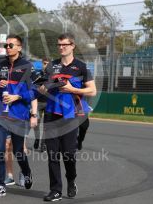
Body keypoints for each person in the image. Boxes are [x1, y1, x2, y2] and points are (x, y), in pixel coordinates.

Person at [39, 33, 96, 201]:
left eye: (64, 44)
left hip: (71, 115)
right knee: (52, 155)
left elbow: (92, 90)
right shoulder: (51, 66)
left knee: (69, 155)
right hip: (51, 114)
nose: (61, 47)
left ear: (73, 46)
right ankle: (55, 190)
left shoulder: (81, 67)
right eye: (59, 44)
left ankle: (71, 181)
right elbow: (43, 86)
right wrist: (42, 89)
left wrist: (73, 90)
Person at [0, 34, 37, 197]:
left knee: (18, 151)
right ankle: (0, 184)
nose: (8, 48)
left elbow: (34, 92)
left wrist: (19, 96)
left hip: (19, 115)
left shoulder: (27, 66)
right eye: (6, 45)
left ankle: (26, 171)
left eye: (11, 45)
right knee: (0, 150)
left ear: (19, 47)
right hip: (1, 115)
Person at [32, 57, 50, 152]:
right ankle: (37, 139)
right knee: (36, 123)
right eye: (44, 63)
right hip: (38, 102)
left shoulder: (53, 75)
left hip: (48, 103)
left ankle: (43, 143)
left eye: (47, 63)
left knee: (46, 125)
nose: (45, 65)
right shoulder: (37, 74)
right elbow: (33, 86)